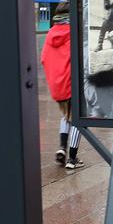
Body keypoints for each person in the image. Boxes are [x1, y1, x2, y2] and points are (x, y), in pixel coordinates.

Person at [40, 11, 83, 169]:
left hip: (57, 85)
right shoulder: (74, 32)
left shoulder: (51, 33)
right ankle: (72, 159)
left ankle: (62, 148)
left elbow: (44, 58)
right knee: (78, 118)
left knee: (66, 115)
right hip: (72, 82)